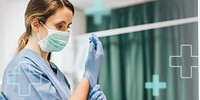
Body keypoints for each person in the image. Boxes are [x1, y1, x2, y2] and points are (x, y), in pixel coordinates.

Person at [0, 0, 106, 99]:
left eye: (68, 27)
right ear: (35, 24)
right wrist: (88, 76)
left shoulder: (56, 72)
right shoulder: (22, 68)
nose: (65, 33)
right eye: (60, 26)